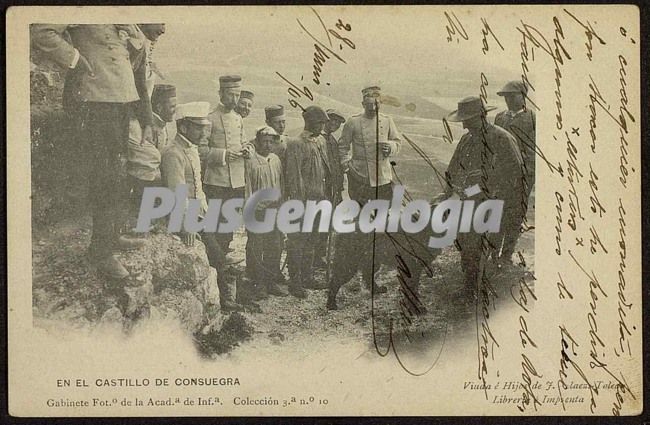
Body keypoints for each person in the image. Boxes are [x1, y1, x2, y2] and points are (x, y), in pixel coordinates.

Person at [31, 24, 149, 279]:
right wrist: (75, 59)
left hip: (120, 98)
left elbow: (136, 51)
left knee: (117, 172)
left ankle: (112, 235)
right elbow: (42, 31)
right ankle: (101, 252)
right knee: (104, 175)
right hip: (94, 100)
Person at [161, 101, 243, 312]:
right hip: (186, 218)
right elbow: (176, 192)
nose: (203, 131)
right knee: (217, 256)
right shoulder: (173, 153)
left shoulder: (191, 149)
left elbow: (197, 187)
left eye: (204, 126)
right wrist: (187, 224)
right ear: (184, 127)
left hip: (199, 214)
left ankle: (225, 299)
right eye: (198, 127)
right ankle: (225, 303)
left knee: (221, 251)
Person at [445, 96, 525, 292]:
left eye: (467, 120)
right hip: (468, 201)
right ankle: (470, 283)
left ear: (481, 116)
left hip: (494, 202)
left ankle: (475, 289)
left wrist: (488, 192)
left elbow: (515, 173)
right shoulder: (467, 139)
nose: (464, 125)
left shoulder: (502, 138)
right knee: (465, 242)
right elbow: (454, 167)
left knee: (478, 246)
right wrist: (448, 192)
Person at [332, 86, 402, 294]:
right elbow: (342, 147)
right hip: (360, 179)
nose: (374, 107)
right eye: (370, 104)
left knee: (379, 230)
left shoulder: (388, 121)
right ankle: (354, 270)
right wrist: (348, 167)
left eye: (377, 103)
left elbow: (398, 141)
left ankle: (371, 278)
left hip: (382, 179)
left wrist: (391, 147)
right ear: (363, 104)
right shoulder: (353, 122)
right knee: (362, 228)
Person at [200, 75, 253, 257]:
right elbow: (200, 148)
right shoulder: (210, 119)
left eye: (237, 95)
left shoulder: (238, 118)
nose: (235, 100)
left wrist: (247, 150)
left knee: (229, 225)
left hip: (236, 181)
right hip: (217, 181)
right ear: (221, 93)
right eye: (231, 95)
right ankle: (215, 263)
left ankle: (223, 260)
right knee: (214, 224)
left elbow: (244, 141)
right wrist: (223, 154)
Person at [284, 105, 330, 298]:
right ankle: (295, 282)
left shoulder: (321, 142)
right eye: (320, 122)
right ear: (310, 122)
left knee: (312, 239)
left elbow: (325, 171)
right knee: (297, 241)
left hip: (319, 199)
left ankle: (307, 277)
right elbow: (294, 177)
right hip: (302, 202)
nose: (322, 126)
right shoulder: (296, 144)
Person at [244, 127, 288, 298]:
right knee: (257, 246)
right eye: (264, 141)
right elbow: (247, 187)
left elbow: (281, 183)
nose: (268, 145)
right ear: (257, 141)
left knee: (275, 245)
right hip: (257, 210)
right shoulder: (251, 161)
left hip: (274, 208)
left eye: (271, 141)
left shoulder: (275, 160)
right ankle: (258, 283)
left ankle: (271, 281)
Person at [494, 80, 536, 261]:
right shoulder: (500, 117)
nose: (508, 100)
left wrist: (524, 177)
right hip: (499, 175)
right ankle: (493, 253)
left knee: (514, 216)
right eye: (505, 97)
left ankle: (506, 254)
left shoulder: (532, 119)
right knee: (496, 214)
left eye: (512, 96)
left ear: (522, 96)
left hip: (521, 177)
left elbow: (533, 152)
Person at [126, 83, 176, 212]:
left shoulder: (165, 126)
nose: (174, 111)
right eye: (172, 106)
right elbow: (146, 162)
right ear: (159, 108)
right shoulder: (143, 128)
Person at [314, 109, 345, 269]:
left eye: (338, 123)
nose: (335, 124)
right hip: (321, 189)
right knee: (317, 222)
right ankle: (313, 256)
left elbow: (337, 166)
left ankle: (319, 256)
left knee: (326, 224)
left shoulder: (333, 141)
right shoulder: (317, 140)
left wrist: (339, 188)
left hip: (333, 189)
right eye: (332, 121)